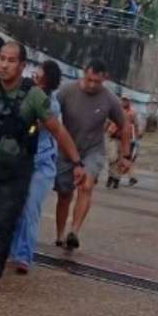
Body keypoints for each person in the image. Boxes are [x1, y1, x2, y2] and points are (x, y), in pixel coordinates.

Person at [0, 42, 87, 293]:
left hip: (17, 168)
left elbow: (58, 130)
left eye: (11, 60)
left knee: (3, 219)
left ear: (22, 65)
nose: (4, 65)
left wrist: (77, 162)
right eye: (1, 59)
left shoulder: (34, 96)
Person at [54, 60, 132, 251]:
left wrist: (126, 155)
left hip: (93, 150)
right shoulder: (66, 91)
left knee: (86, 186)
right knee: (64, 195)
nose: (92, 85)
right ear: (84, 73)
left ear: (105, 79)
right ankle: (60, 234)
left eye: (97, 82)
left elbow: (124, 125)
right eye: (89, 80)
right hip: (66, 150)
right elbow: (49, 114)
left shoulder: (109, 99)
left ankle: (74, 232)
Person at [9, 60, 63, 275]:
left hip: (42, 163)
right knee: (15, 206)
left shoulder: (51, 105)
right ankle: (11, 250)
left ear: (46, 79)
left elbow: (32, 126)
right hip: (21, 159)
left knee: (31, 208)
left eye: (38, 73)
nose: (34, 75)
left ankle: (24, 256)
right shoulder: (24, 94)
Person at [105, 94, 141, 188]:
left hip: (124, 139)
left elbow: (136, 126)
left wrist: (136, 138)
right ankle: (111, 175)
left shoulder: (132, 113)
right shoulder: (115, 110)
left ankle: (116, 179)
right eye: (123, 100)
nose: (124, 102)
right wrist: (103, 131)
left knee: (120, 160)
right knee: (112, 157)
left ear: (129, 102)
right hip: (113, 137)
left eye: (126, 100)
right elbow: (108, 121)